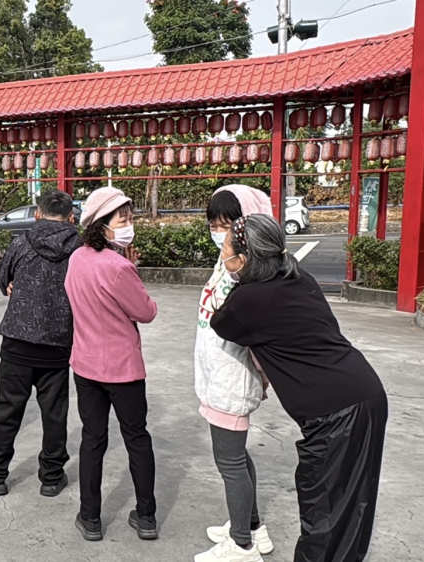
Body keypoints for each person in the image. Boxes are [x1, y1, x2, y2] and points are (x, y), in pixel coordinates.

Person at [211, 214, 387, 562]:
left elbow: (221, 322)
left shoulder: (250, 299)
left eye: (226, 254)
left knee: (324, 512)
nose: (223, 260)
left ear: (244, 260)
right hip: (365, 393)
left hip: (335, 414)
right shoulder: (297, 276)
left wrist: (230, 288)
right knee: (352, 506)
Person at [64, 187, 159, 542]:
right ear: (101, 224)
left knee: (93, 439)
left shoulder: (77, 259)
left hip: (86, 364)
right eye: (123, 219)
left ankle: (90, 517)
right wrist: (132, 271)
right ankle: (146, 516)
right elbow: (146, 311)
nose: (129, 224)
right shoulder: (119, 267)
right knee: (137, 438)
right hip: (123, 369)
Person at [0, 191, 79, 498]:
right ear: (71, 217)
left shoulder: (21, 242)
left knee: (7, 410)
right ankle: (51, 477)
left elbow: (3, 278)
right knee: (55, 413)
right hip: (58, 341)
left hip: (19, 338)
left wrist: (15, 285)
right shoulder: (79, 247)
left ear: (37, 214)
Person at [194, 186, 276, 561]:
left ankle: (241, 544)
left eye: (227, 225)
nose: (219, 233)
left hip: (232, 379)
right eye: (214, 225)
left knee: (229, 461)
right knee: (237, 457)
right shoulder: (226, 261)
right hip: (218, 375)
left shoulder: (250, 271)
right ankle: (252, 527)